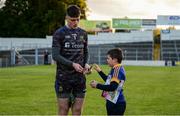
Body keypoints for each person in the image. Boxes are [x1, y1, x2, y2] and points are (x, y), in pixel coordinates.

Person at [52, 5, 90, 115]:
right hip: (64, 78)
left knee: (77, 110)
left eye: (78, 19)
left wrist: (86, 64)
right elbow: (55, 55)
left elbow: (85, 51)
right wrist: (72, 64)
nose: (75, 22)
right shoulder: (59, 33)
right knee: (64, 109)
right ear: (66, 18)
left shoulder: (83, 33)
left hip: (79, 79)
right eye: (72, 20)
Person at [90, 48, 126, 115]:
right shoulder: (116, 68)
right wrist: (100, 71)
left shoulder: (117, 70)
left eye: (108, 58)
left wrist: (97, 85)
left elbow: (112, 87)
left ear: (115, 59)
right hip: (113, 101)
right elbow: (109, 81)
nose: (107, 60)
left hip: (116, 103)